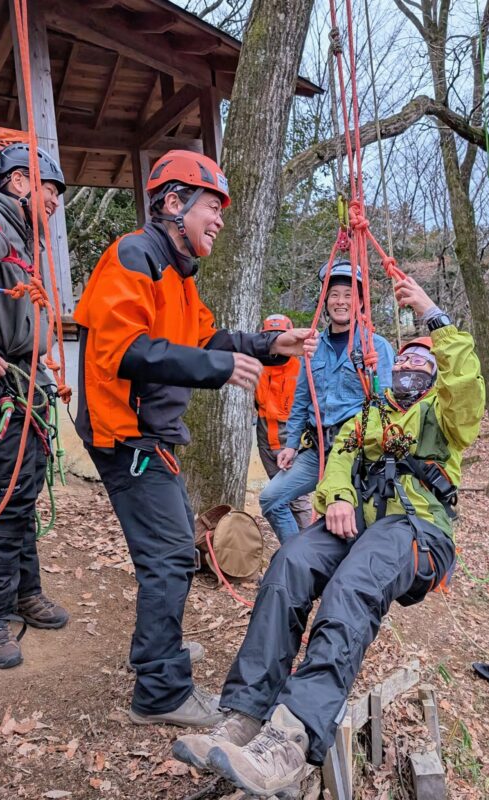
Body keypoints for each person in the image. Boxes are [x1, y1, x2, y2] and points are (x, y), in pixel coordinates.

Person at [173, 276, 485, 799]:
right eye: (404, 363)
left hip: (416, 531)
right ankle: (245, 716)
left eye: (421, 366)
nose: (409, 370)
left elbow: (466, 383)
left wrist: (433, 317)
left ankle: (293, 738)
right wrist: (336, 497)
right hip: (360, 523)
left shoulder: (445, 417)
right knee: (290, 564)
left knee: (351, 588)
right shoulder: (370, 414)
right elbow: (339, 457)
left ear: (435, 378)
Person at [73, 150, 318, 728]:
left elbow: (210, 337)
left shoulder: (179, 278)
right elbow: (124, 352)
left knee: (176, 548)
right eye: (213, 206)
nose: (221, 220)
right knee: (167, 557)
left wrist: (265, 345)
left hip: (149, 435)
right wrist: (218, 369)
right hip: (124, 435)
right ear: (174, 203)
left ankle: (160, 653)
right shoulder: (135, 257)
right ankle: (160, 688)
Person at [0, 144, 69, 670]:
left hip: (25, 385)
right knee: (5, 499)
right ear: (17, 182)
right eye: (49, 190)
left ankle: (21, 590)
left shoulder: (18, 236)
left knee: (25, 494)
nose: (54, 202)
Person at [260, 260, 394, 544]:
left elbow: (387, 407)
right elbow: (301, 400)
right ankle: (295, 559)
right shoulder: (312, 346)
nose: (341, 301)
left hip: (356, 455)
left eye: (348, 295)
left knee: (351, 524)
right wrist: (291, 444)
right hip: (317, 450)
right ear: (325, 300)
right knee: (271, 498)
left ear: (359, 301)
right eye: (334, 294)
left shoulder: (376, 347)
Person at [255, 314, 312, 531]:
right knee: (277, 497)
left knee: (297, 499)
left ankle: (307, 544)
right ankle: (290, 546)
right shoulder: (257, 365)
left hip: (291, 436)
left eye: (280, 336)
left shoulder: (301, 367)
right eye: (270, 336)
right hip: (265, 436)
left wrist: (296, 443)